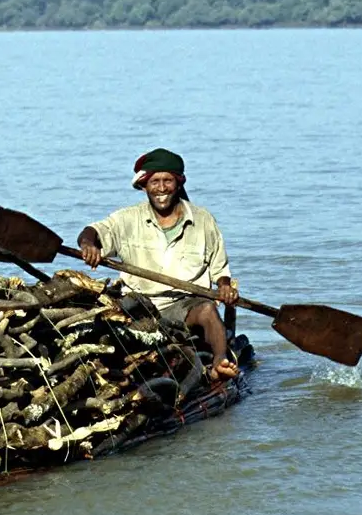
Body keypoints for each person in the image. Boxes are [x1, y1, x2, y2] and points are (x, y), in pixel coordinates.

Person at [77, 148, 241, 380]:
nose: (161, 188)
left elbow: (219, 269)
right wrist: (88, 245)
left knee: (207, 309)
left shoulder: (203, 220)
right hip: (140, 306)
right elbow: (93, 231)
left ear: (178, 183)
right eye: (155, 181)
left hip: (186, 304)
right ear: (144, 185)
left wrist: (224, 286)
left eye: (168, 181)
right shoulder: (126, 219)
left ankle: (219, 363)